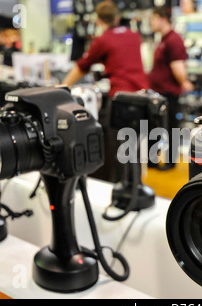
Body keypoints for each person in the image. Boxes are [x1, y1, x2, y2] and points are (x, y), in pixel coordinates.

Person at [63, 1, 149, 182]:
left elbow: (82, 67)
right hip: (142, 97)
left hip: (121, 100)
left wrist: (63, 87)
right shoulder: (134, 35)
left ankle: (121, 189)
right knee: (136, 146)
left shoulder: (103, 40)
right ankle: (136, 186)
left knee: (118, 148)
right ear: (117, 17)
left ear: (99, 21)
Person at [149, 6, 194, 170]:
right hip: (159, 92)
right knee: (156, 127)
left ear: (163, 19)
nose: (151, 23)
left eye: (153, 19)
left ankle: (169, 162)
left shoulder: (173, 39)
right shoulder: (163, 39)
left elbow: (178, 65)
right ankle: (152, 160)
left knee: (170, 128)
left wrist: (184, 81)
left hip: (168, 93)